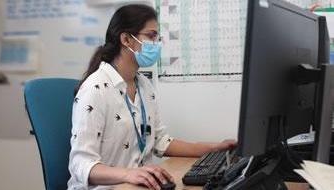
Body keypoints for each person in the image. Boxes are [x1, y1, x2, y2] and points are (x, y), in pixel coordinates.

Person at [67, 4, 237, 190]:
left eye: (157, 37)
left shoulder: (143, 86)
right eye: (151, 36)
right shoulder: (95, 89)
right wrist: (128, 174)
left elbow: (160, 141)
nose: (156, 44)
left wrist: (213, 149)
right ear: (126, 39)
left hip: (138, 184)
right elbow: (80, 165)